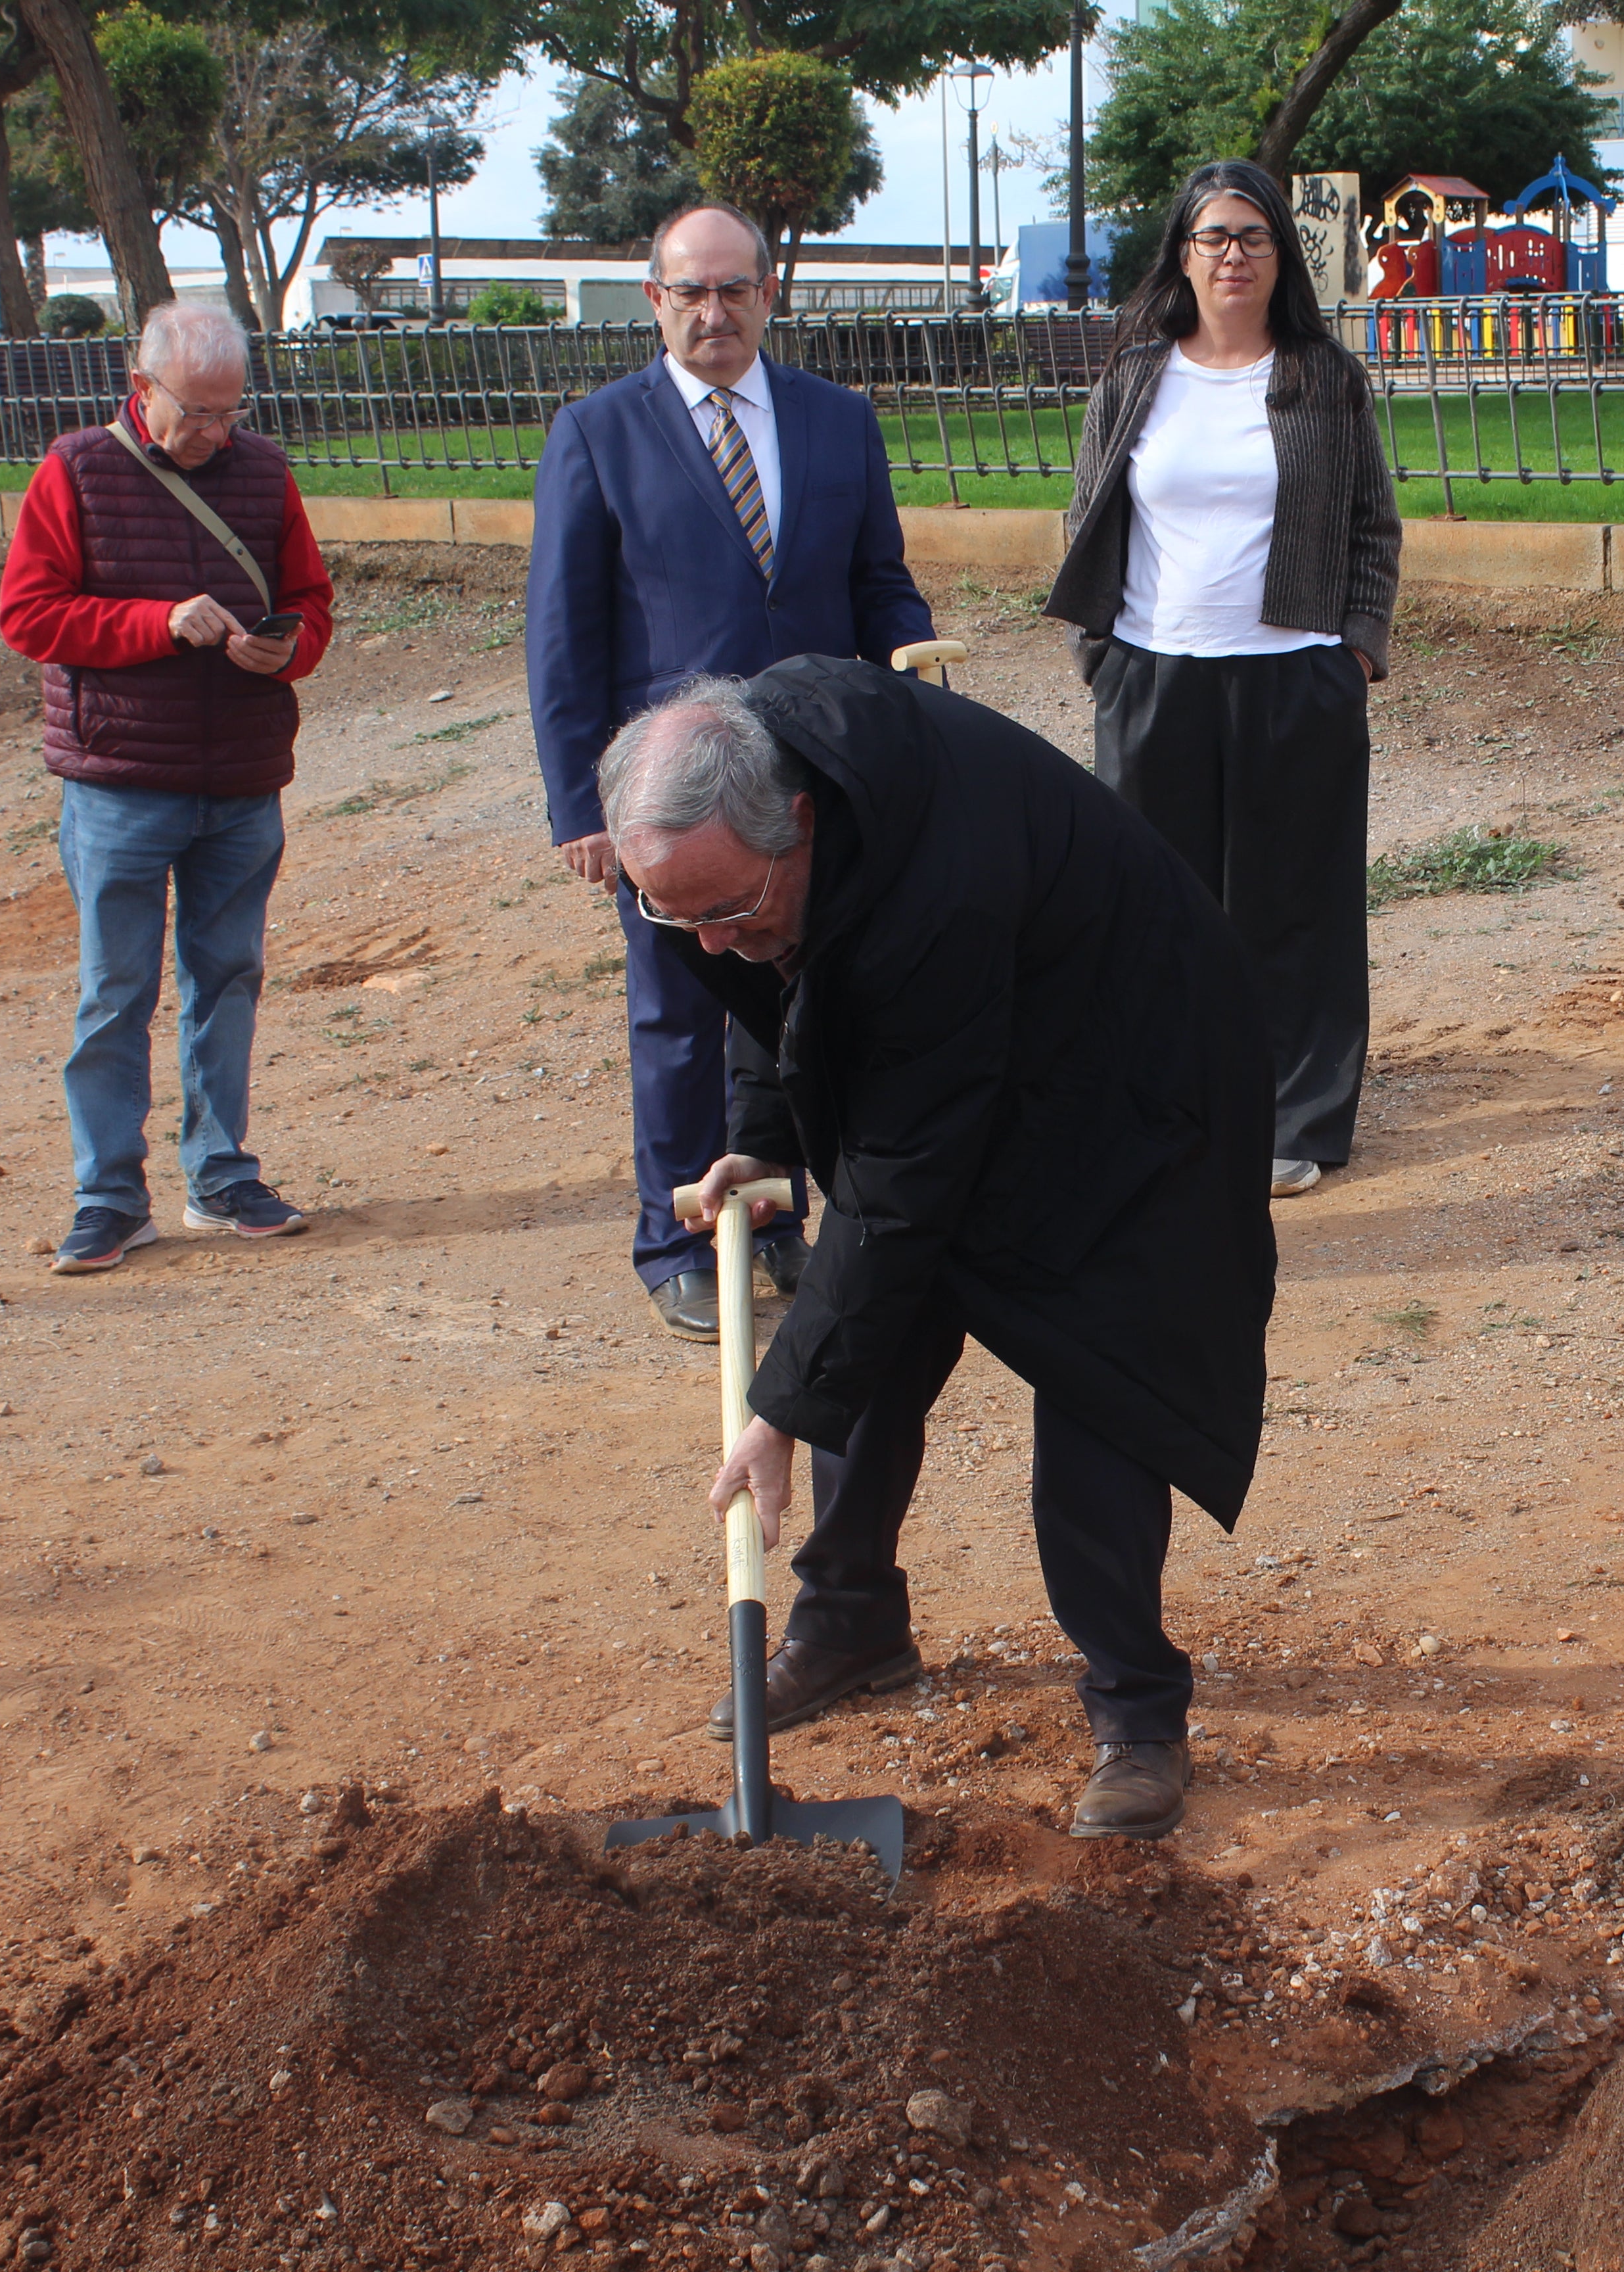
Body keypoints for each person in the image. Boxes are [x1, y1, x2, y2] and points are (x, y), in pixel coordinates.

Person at [601, 661, 1274, 1839]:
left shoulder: (935, 880)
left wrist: (779, 1406)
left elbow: (905, 1179)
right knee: (870, 1342)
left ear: (797, 825)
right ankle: (852, 1619)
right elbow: (772, 980)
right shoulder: (748, 851)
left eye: (725, 905)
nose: (705, 940)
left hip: (1133, 1084)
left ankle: (1137, 1711)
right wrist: (762, 1145)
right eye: (675, 912)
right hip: (973, 1048)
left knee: (1098, 1383)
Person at [527, 201, 935, 1340]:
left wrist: (911, 664)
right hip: (666, 790)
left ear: (770, 293)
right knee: (678, 1009)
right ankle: (677, 1243)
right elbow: (564, 642)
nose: (714, 311)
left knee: (809, 1000)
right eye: (689, 292)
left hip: (809, 777)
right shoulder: (598, 434)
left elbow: (881, 584)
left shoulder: (837, 422)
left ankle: (779, 1206)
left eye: (735, 289)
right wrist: (580, 805)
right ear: (654, 300)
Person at [1045, 159, 1401, 1200]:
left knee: (1295, 911)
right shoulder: (1133, 381)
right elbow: (1088, 515)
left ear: (1279, 253)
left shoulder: (1323, 380)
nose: (1234, 254)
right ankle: (1167, 1103)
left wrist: (1357, 648)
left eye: (1252, 235)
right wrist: (1101, 657)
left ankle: (1298, 1116)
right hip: (1155, 674)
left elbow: (1373, 526)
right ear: (1185, 257)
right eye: (1214, 237)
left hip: (1293, 678)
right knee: (1156, 908)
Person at [0, 300, 335, 1275]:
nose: (214, 434)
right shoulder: (74, 469)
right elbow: (28, 615)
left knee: (227, 982)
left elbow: (311, 602)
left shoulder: (266, 473)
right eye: (196, 413)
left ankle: (221, 1176)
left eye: (229, 414)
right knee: (115, 991)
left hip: (240, 776)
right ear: (140, 387)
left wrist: (285, 651)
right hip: (119, 782)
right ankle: (108, 1196)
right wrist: (156, 623)